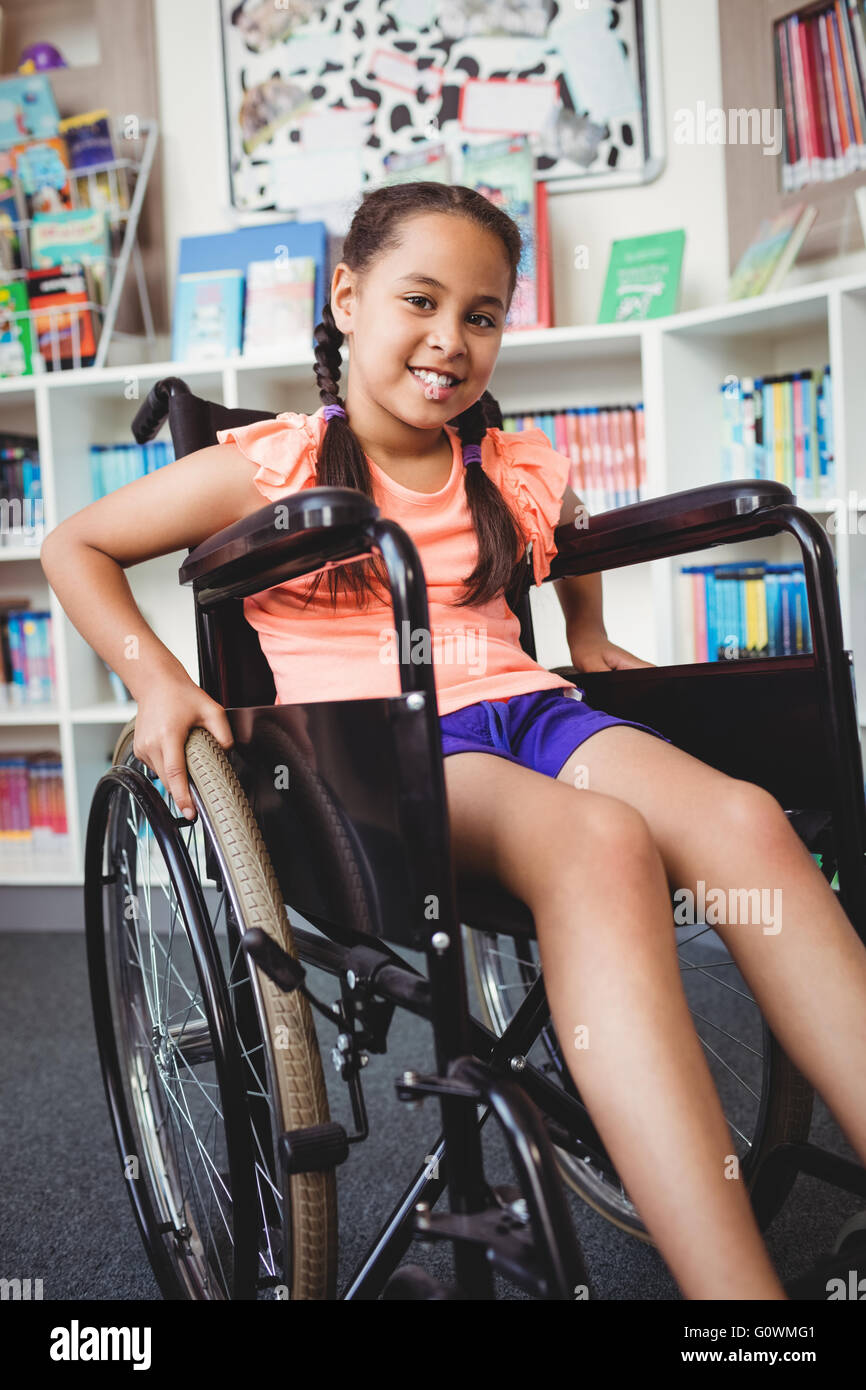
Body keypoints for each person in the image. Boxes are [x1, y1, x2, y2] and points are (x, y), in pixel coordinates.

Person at [41, 181, 866, 1302]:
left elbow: (566, 538)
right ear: (347, 297)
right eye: (417, 301)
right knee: (598, 844)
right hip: (382, 749)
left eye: (479, 315)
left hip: (529, 710)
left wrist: (587, 631)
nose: (448, 340)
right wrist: (161, 684)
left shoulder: (502, 466)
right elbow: (75, 545)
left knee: (743, 817)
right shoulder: (272, 463)